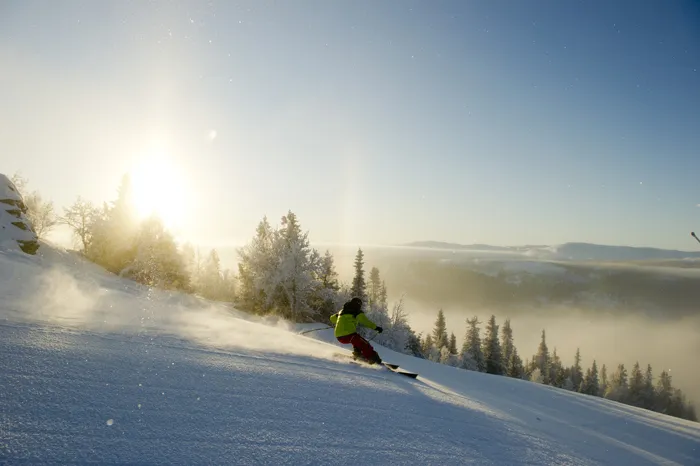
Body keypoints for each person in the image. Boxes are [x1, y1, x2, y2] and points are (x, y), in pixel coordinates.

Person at [330, 297, 383, 364]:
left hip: (339, 336)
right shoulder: (357, 311)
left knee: (357, 341)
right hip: (348, 335)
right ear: (359, 304)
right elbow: (365, 321)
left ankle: (358, 354)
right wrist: (376, 328)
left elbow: (332, 319)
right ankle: (374, 359)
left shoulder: (342, 311)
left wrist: (339, 319)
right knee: (365, 344)